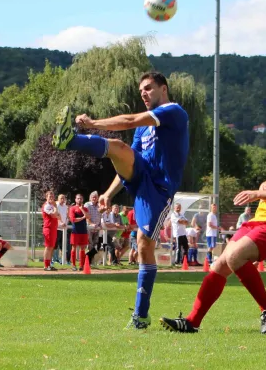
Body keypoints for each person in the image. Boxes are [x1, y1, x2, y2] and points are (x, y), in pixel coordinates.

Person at [160, 105, 266, 334]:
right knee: (220, 264)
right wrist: (265, 186)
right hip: (261, 218)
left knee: (236, 256)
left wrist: (258, 194)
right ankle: (192, 322)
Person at [52, 71, 189, 329]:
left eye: (149, 88)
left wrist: (92, 123)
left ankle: (141, 315)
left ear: (164, 89)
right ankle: (70, 141)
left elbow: (128, 120)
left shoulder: (174, 111)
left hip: (158, 189)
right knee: (118, 147)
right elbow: (127, 158)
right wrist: (107, 194)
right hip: (140, 176)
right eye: (141, 92)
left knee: (144, 244)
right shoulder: (143, 127)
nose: (144, 94)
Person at [68, 194, 89, 271]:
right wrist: (83, 217)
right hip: (75, 231)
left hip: (83, 231)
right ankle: (73, 265)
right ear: (75, 199)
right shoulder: (72, 208)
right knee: (74, 248)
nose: (79, 200)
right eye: (78, 198)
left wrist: (82, 209)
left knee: (82, 248)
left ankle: (81, 265)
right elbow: (73, 219)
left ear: (82, 199)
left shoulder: (85, 208)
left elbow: (88, 217)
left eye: (80, 198)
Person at [42, 191, 59, 271]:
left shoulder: (52, 206)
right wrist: (55, 207)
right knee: (48, 247)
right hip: (48, 228)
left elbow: (58, 215)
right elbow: (54, 215)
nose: (52, 198)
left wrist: (55, 208)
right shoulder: (46, 206)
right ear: (46, 197)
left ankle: (49, 264)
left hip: (53, 228)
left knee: (51, 247)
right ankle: (46, 265)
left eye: (52, 196)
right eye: (50, 196)